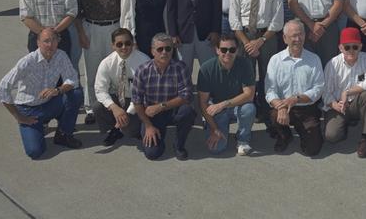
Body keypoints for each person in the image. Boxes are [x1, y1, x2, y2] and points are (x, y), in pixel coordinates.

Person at [0, 27, 84, 159]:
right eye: (46, 41)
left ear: (58, 41)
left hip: (49, 103)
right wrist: (19, 117)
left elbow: (72, 79)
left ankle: (63, 134)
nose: (50, 45)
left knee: (76, 94)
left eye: (54, 40)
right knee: (35, 152)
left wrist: (57, 90)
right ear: (38, 43)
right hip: (29, 110)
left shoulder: (61, 55)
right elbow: (2, 89)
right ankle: (37, 127)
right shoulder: (27, 62)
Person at [72, 0, 128, 125]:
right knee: (92, 69)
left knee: (118, 68)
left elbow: (127, 8)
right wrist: (81, 34)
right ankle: (92, 108)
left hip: (115, 27)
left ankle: (119, 103)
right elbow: (76, 12)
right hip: (91, 28)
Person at [229, 0, 284, 115]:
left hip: (267, 36)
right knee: (246, 75)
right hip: (244, 37)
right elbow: (234, 21)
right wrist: (247, 43)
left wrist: (260, 41)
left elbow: (277, 21)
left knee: (269, 74)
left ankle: (267, 110)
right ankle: (247, 109)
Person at [131, 33, 197, 161]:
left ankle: (179, 145)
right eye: (160, 49)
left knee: (188, 111)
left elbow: (187, 95)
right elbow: (137, 101)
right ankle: (150, 131)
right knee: (153, 154)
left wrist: (161, 106)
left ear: (173, 50)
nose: (164, 52)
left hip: (172, 109)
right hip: (152, 114)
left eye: (168, 48)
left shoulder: (180, 67)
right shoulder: (142, 70)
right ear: (152, 51)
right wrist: (148, 126)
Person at [263, 20, 325, 156]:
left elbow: (318, 88)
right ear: (285, 39)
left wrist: (296, 99)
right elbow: (270, 90)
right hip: (283, 107)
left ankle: (305, 134)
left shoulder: (314, 59)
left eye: (301, 35)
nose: (298, 39)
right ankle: (285, 136)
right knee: (274, 116)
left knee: (313, 150)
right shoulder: (275, 60)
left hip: (306, 108)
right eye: (293, 36)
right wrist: (281, 107)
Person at [196, 33, 258, 156]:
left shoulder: (245, 64)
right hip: (216, 109)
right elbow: (203, 103)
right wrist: (215, 129)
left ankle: (242, 139)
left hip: (236, 106)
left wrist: (224, 104)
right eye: (223, 49)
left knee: (249, 108)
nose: (228, 53)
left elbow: (249, 95)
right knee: (216, 149)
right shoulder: (206, 69)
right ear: (217, 50)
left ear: (237, 50)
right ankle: (217, 126)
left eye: (232, 49)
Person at [321, 27, 366, 157]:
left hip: (357, 102)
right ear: (340, 48)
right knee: (331, 136)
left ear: (360, 46)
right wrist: (336, 105)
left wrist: (347, 92)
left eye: (355, 47)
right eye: (347, 47)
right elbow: (325, 92)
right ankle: (344, 123)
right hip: (338, 105)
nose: (351, 50)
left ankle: (365, 137)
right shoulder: (332, 64)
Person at [90, 27, 148, 147]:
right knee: (97, 107)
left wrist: (127, 113)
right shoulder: (106, 63)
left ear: (133, 43)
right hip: (118, 99)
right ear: (113, 46)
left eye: (127, 43)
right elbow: (100, 89)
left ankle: (132, 128)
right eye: (119, 44)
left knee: (131, 131)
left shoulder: (144, 61)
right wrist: (115, 108)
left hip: (138, 102)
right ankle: (114, 130)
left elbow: (144, 92)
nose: (124, 47)